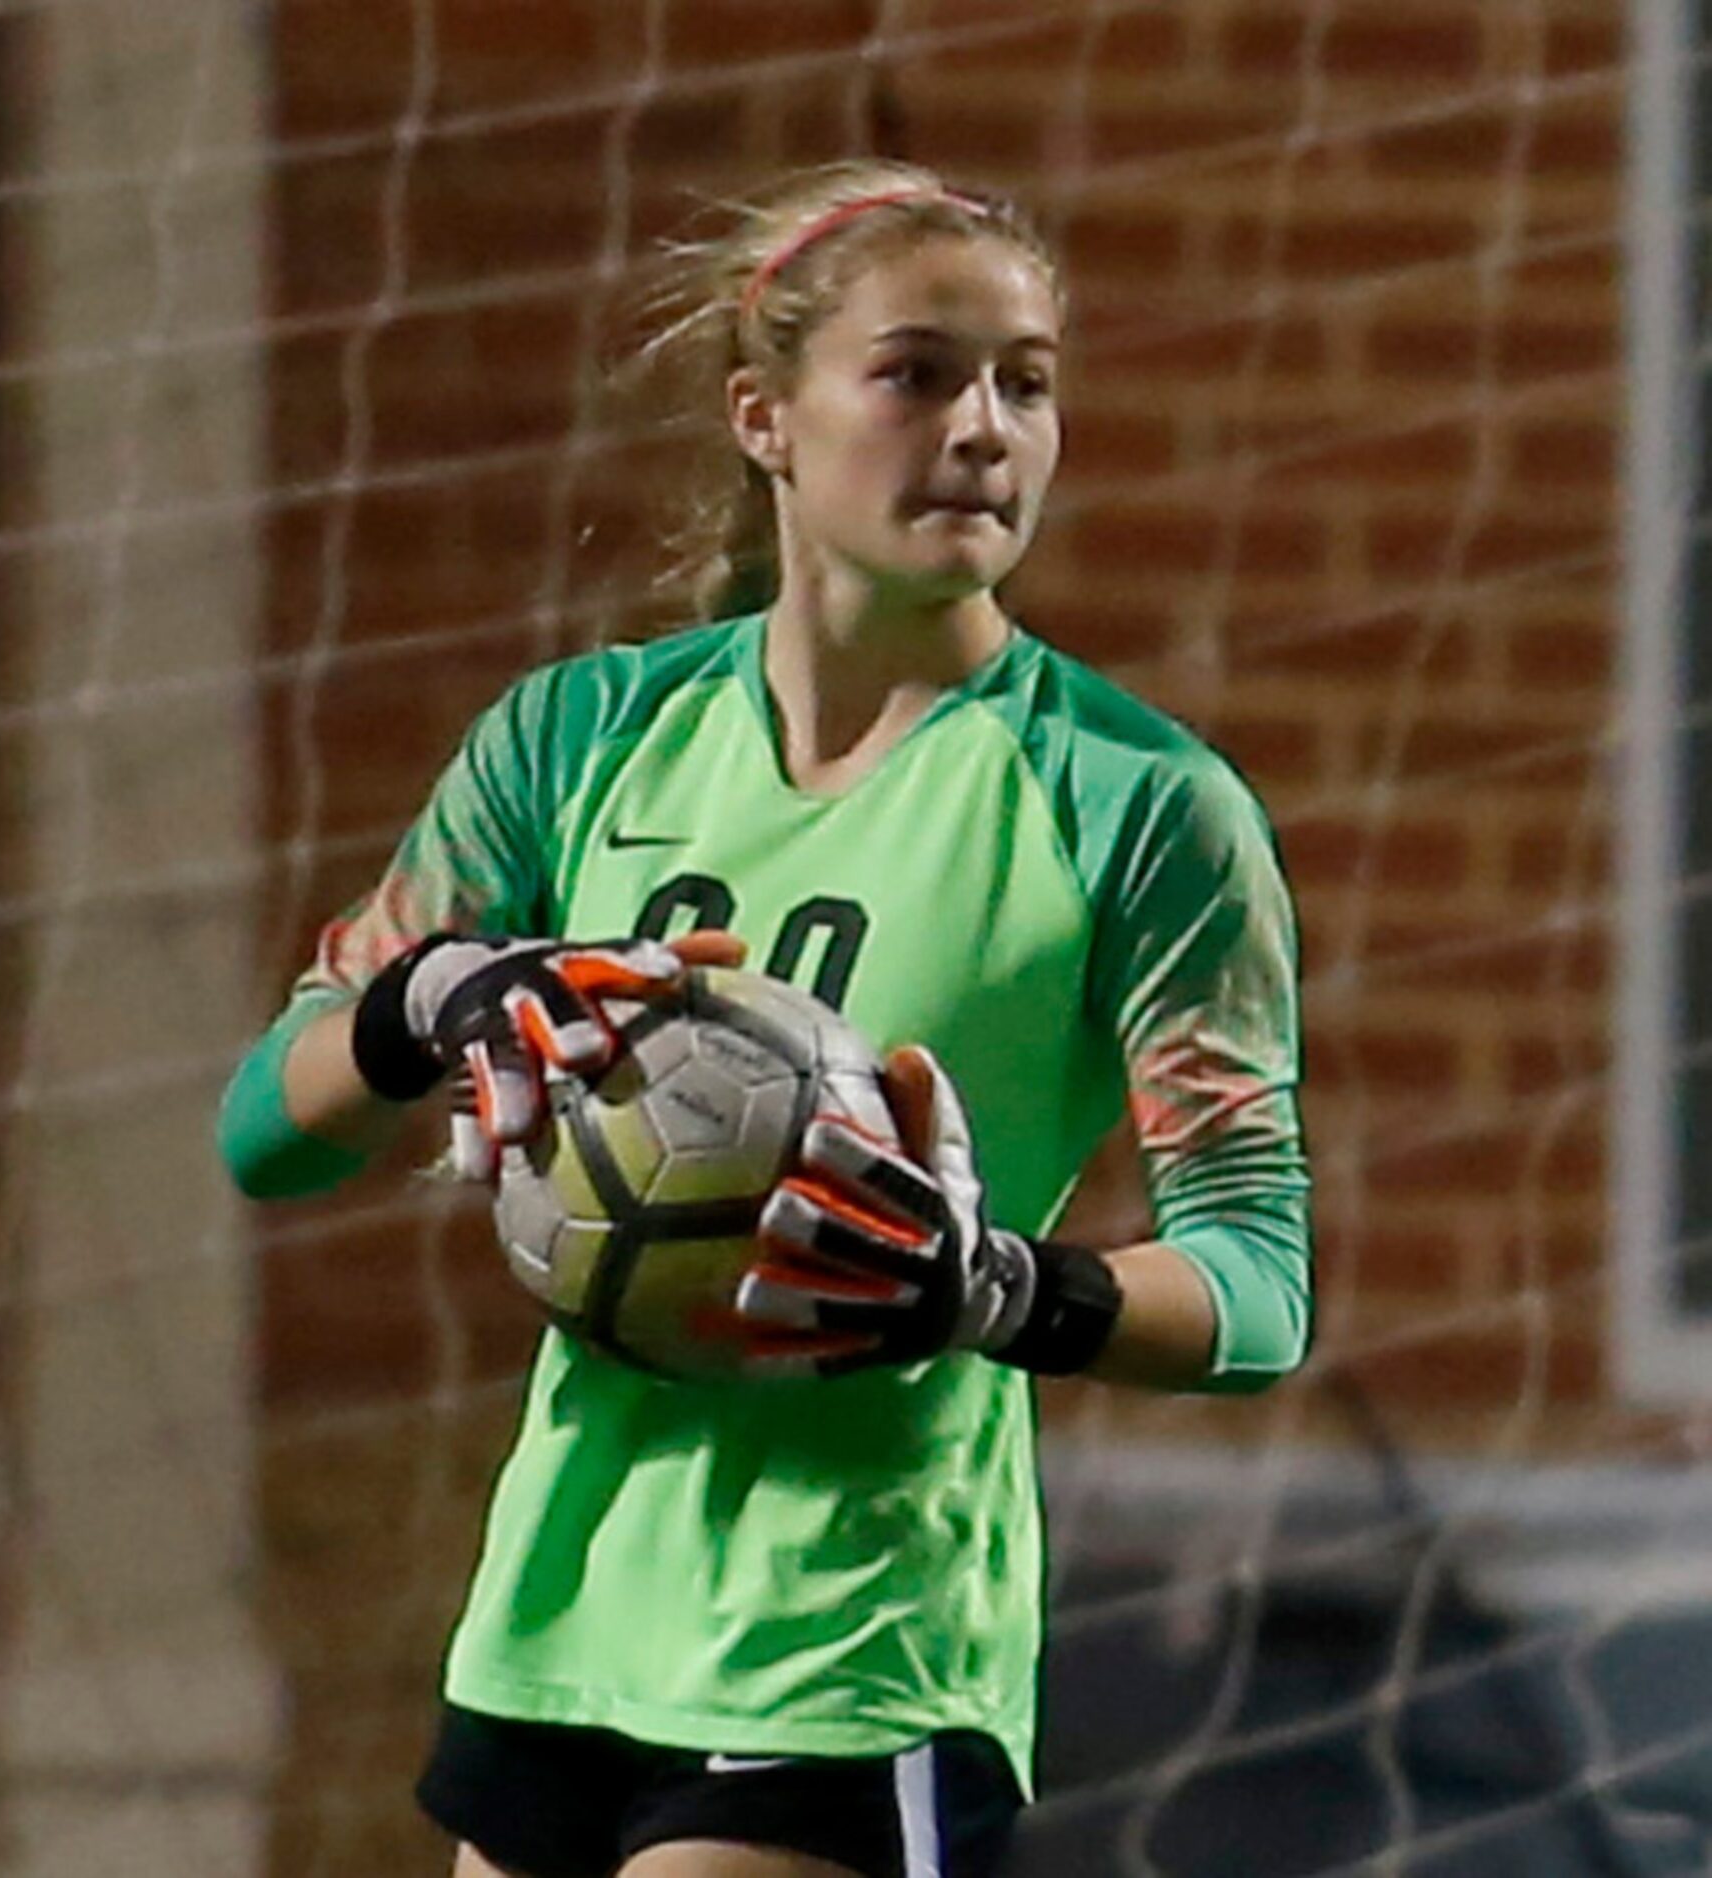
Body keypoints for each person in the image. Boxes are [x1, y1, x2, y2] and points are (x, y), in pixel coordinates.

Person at [218, 159, 1313, 1878]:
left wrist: (998, 1283)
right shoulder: (577, 740)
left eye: (1027, 382)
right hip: (561, 1605)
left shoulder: (1141, 807)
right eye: (919, 371)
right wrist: (434, 998)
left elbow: (1257, 1282)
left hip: (860, 1636)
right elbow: (261, 1133)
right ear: (765, 416)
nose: (984, 427)